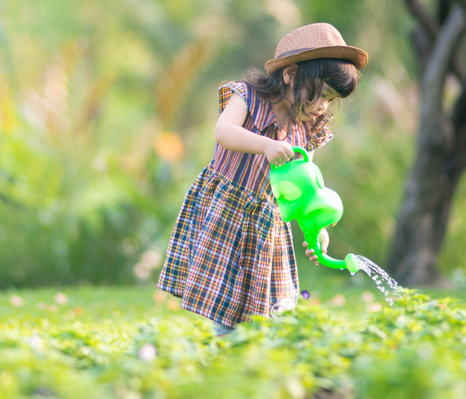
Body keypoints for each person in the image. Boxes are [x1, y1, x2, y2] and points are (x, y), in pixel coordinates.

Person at [157, 23, 367, 336]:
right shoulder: (248, 96)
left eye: (331, 100)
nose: (323, 106)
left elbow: (302, 187)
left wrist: (316, 228)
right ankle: (227, 347)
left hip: (269, 222)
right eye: (322, 94)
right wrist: (266, 145)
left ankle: (261, 352)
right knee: (228, 298)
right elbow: (224, 132)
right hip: (227, 212)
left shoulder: (306, 128)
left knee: (274, 306)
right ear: (290, 74)